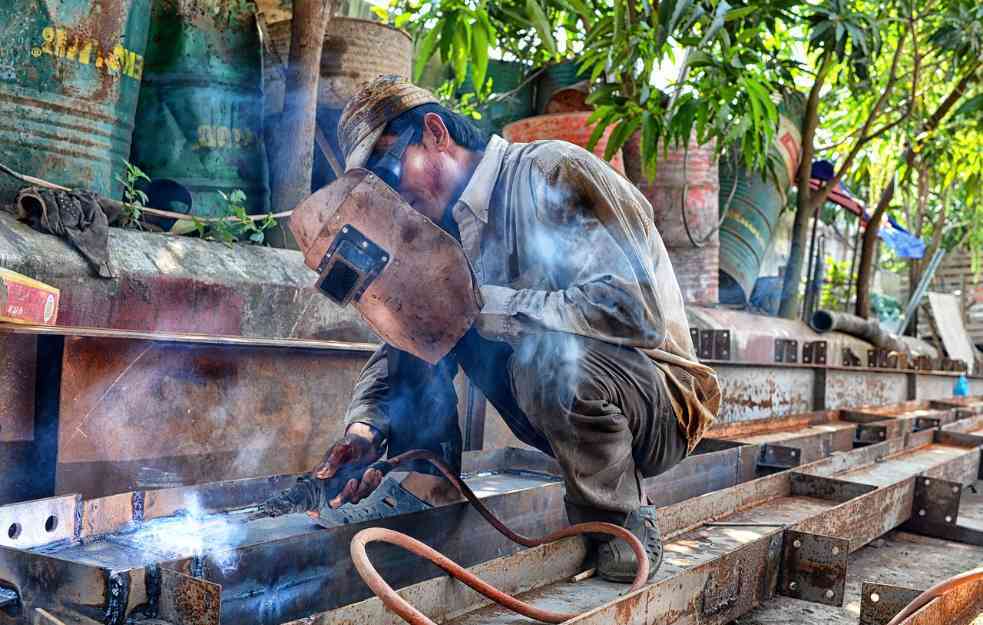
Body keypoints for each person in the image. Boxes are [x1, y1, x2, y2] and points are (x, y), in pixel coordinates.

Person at [310, 75, 720, 581]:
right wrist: (367, 426)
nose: (393, 196)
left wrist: (486, 304)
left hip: (656, 399)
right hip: (567, 398)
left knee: (540, 355)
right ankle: (425, 481)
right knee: (422, 306)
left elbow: (636, 311)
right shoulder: (443, 233)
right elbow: (407, 339)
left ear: (436, 133)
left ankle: (620, 520)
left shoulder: (552, 170)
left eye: (391, 172)